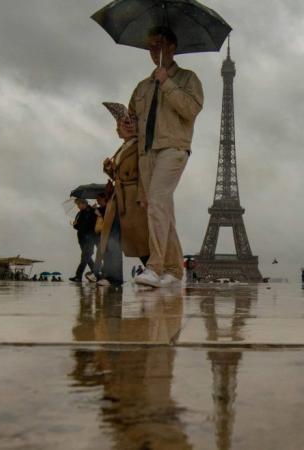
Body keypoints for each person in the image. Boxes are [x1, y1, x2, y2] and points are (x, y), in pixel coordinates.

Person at [120, 26, 204, 288]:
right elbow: (132, 120)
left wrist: (166, 82)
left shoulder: (188, 79)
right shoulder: (142, 87)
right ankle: (173, 270)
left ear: (172, 47)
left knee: (157, 201)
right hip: (146, 151)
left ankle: (154, 266)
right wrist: (124, 129)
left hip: (173, 147)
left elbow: (191, 110)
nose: (152, 50)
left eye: (158, 44)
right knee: (158, 206)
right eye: (150, 46)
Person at [97, 107, 150, 287]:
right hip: (119, 197)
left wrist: (143, 195)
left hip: (133, 197)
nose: (117, 129)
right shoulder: (122, 148)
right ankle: (112, 276)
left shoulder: (140, 146)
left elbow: (144, 172)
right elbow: (121, 175)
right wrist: (109, 170)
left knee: (138, 237)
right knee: (113, 235)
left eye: (120, 125)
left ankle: (153, 270)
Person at [69, 198, 98, 283]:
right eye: (77, 205)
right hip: (81, 239)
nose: (78, 206)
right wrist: (75, 225)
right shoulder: (79, 213)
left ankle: (78, 276)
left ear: (84, 203)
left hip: (89, 238)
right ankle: (97, 274)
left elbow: (91, 225)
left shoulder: (92, 211)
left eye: (78, 204)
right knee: (87, 258)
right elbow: (78, 227)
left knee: (85, 257)